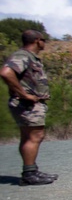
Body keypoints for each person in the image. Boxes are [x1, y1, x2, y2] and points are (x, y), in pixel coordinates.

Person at [1, 29, 58, 186]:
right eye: (43, 40)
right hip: (27, 104)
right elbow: (6, 73)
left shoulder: (28, 56)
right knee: (34, 136)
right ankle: (29, 174)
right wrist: (24, 94)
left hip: (29, 104)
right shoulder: (23, 56)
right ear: (37, 40)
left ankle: (30, 169)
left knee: (29, 137)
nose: (44, 43)